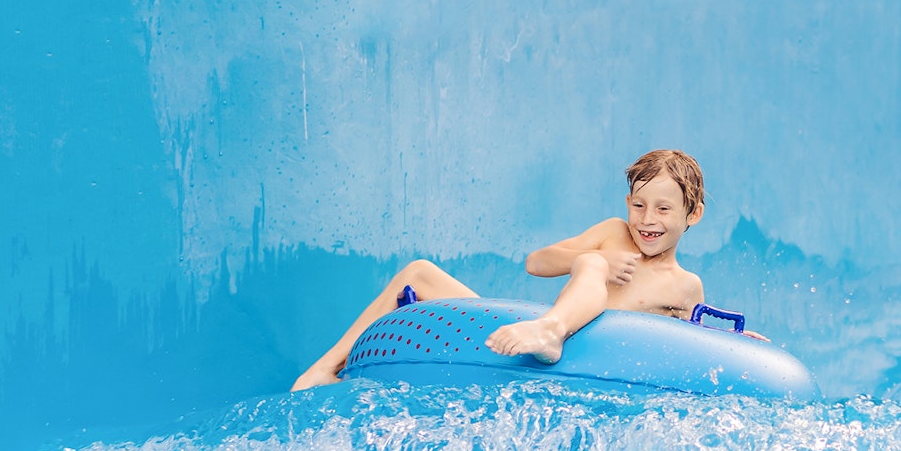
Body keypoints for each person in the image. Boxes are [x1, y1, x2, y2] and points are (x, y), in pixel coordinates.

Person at [291, 149, 756, 392]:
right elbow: (536, 263)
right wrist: (590, 261)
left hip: (580, 357)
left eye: (663, 210)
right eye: (638, 205)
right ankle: (323, 369)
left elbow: (687, 343)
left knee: (590, 264)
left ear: (692, 215)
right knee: (418, 273)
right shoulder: (613, 235)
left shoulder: (685, 285)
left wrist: (739, 343)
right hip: (539, 335)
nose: (647, 220)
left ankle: (552, 330)